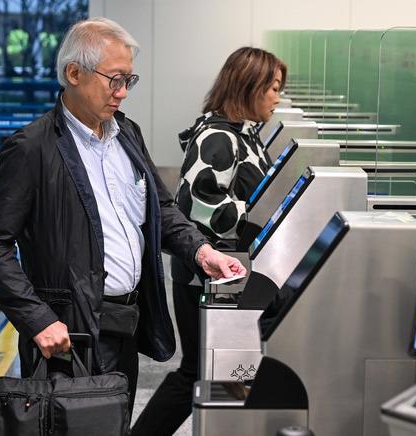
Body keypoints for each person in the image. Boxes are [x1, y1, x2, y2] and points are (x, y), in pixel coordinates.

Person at [0, 17, 246, 418]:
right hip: (69, 334)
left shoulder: (127, 135)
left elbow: (161, 210)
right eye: (115, 80)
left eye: (129, 82)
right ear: (73, 73)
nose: (122, 93)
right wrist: (37, 320)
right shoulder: (32, 148)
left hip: (124, 324)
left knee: (113, 425)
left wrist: (202, 251)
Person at [131, 46, 286, 435]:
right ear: (250, 86)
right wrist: (265, 217)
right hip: (202, 274)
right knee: (195, 371)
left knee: (211, 370)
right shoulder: (219, 136)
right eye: (274, 88)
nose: (277, 98)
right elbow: (199, 206)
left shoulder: (240, 133)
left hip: (217, 273)